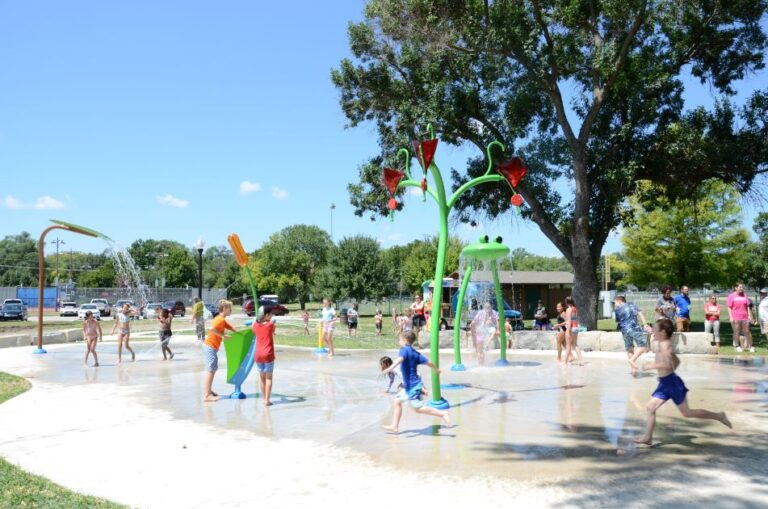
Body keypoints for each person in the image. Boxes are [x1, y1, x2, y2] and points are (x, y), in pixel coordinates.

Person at [634, 318, 732, 445]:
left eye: (655, 329)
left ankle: (719, 416)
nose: (653, 331)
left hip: (673, 384)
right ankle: (648, 437)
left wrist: (650, 366)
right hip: (666, 383)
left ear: (663, 332)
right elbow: (676, 362)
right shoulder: (662, 344)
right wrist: (666, 374)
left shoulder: (665, 346)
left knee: (687, 413)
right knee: (650, 407)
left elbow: (667, 364)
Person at [381, 331, 451, 433]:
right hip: (409, 386)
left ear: (405, 340)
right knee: (397, 402)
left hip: (413, 386)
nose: (399, 341)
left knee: (418, 408)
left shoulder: (404, 350)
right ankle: (394, 426)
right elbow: (429, 362)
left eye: (400, 339)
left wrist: (390, 368)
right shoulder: (415, 353)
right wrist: (436, 369)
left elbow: (400, 359)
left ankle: (443, 413)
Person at [202, 300, 235, 402]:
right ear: (224, 309)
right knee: (211, 370)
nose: (231, 311)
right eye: (230, 309)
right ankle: (207, 395)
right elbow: (212, 329)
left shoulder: (222, 319)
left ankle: (209, 391)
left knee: (213, 369)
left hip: (211, 347)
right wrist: (224, 336)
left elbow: (229, 326)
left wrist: (238, 332)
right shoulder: (219, 319)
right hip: (210, 346)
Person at [613, 295, 651, 374]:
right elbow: (640, 314)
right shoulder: (632, 305)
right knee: (643, 346)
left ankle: (633, 370)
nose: (615, 304)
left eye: (615, 302)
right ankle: (632, 360)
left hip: (624, 331)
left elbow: (618, 322)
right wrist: (645, 324)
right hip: (634, 328)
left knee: (629, 348)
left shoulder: (617, 310)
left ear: (619, 301)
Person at [252, 304, 277, 406]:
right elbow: (273, 330)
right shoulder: (270, 325)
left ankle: (264, 399)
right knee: (269, 378)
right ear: (266, 315)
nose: (272, 316)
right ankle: (267, 400)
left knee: (262, 378)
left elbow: (254, 326)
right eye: (270, 314)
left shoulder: (255, 326)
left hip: (258, 355)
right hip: (268, 354)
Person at [728, 283, 755, 353]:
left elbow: (748, 307)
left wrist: (750, 316)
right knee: (736, 332)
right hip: (736, 317)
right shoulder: (731, 296)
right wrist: (731, 317)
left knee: (747, 332)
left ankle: (751, 346)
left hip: (745, 317)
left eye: (742, 287)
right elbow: (729, 307)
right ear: (735, 288)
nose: (741, 289)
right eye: (740, 287)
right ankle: (737, 346)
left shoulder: (744, 296)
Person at [563, 296, 583, 366]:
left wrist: (567, 331)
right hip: (576, 328)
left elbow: (569, 321)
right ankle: (581, 361)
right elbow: (576, 320)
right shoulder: (575, 309)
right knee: (575, 345)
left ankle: (565, 363)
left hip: (570, 328)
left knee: (568, 346)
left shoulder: (568, 310)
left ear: (566, 302)